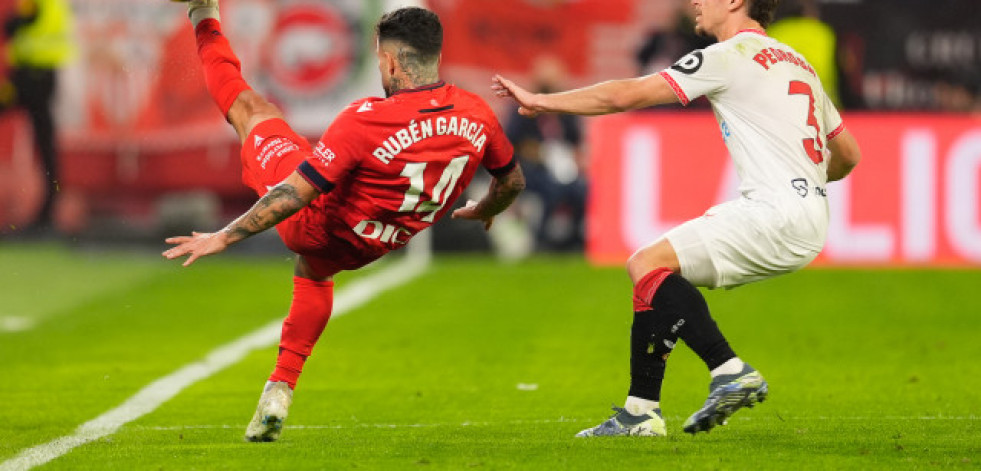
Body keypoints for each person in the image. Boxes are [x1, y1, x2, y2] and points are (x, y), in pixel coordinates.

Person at [493, 0, 861, 437]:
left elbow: (621, 95)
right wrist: (803, 183)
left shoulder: (730, 56)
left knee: (646, 264)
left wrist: (540, 99)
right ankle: (640, 412)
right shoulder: (798, 63)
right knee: (655, 270)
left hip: (773, 211)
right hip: (811, 216)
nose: (694, 2)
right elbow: (849, 156)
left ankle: (727, 369)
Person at [163, 1, 524, 442]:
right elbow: (512, 182)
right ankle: (278, 388)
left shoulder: (365, 119)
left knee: (252, 110)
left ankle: (203, 16)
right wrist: (485, 209)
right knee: (314, 269)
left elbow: (295, 193)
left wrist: (226, 235)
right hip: (378, 240)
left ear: (389, 60)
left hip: (316, 224)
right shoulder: (477, 113)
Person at [1, 0, 74, 233]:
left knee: (45, 143)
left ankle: (48, 210)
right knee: (45, 142)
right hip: (41, 74)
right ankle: (48, 208)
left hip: (31, 75)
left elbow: (18, 23)